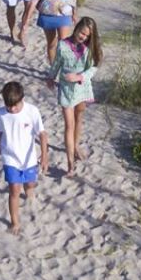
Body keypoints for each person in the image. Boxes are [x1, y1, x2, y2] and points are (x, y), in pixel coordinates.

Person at [0, 80, 48, 235]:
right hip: (10, 158)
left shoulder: (32, 111)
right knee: (14, 190)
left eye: (15, 105)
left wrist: (44, 156)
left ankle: (30, 191)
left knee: (30, 184)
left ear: (22, 99)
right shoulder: (1, 114)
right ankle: (15, 222)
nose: (11, 108)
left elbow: (43, 135)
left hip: (29, 158)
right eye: (8, 105)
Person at [51, 17, 100, 176]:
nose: (83, 37)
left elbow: (93, 68)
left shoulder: (89, 48)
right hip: (66, 90)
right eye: (82, 32)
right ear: (77, 27)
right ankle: (70, 164)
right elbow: (56, 63)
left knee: (79, 118)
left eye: (87, 36)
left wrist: (80, 77)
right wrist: (51, 77)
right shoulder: (63, 45)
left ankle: (76, 146)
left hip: (82, 88)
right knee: (68, 125)